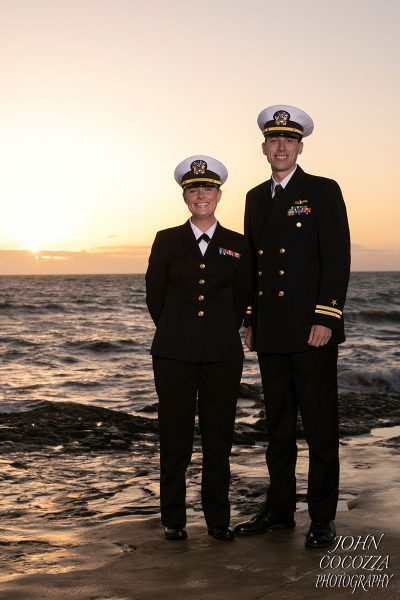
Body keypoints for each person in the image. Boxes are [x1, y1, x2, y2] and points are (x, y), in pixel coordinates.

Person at [234, 105, 351, 549]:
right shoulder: (253, 198)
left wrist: (327, 316)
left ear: (300, 147)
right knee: (278, 427)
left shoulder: (322, 190)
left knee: (321, 428)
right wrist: (250, 320)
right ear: (264, 147)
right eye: (273, 140)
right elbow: (251, 266)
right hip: (272, 332)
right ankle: (280, 510)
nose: (281, 147)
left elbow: (336, 257)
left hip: (311, 330)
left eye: (289, 140)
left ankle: (322, 518)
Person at [146, 155, 251, 542]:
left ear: (219, 193)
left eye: (207, 187)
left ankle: (217, 520)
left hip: (222, 355)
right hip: (173, 353)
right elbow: (154, 295)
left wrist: (216, 330)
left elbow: (242, 298)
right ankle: (173, 519)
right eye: (193, 189)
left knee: (218, 439)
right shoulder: (166, 240)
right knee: (174, 437)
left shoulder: (238, 244)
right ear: (185, 197)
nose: (201, 194)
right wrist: (180, 330)